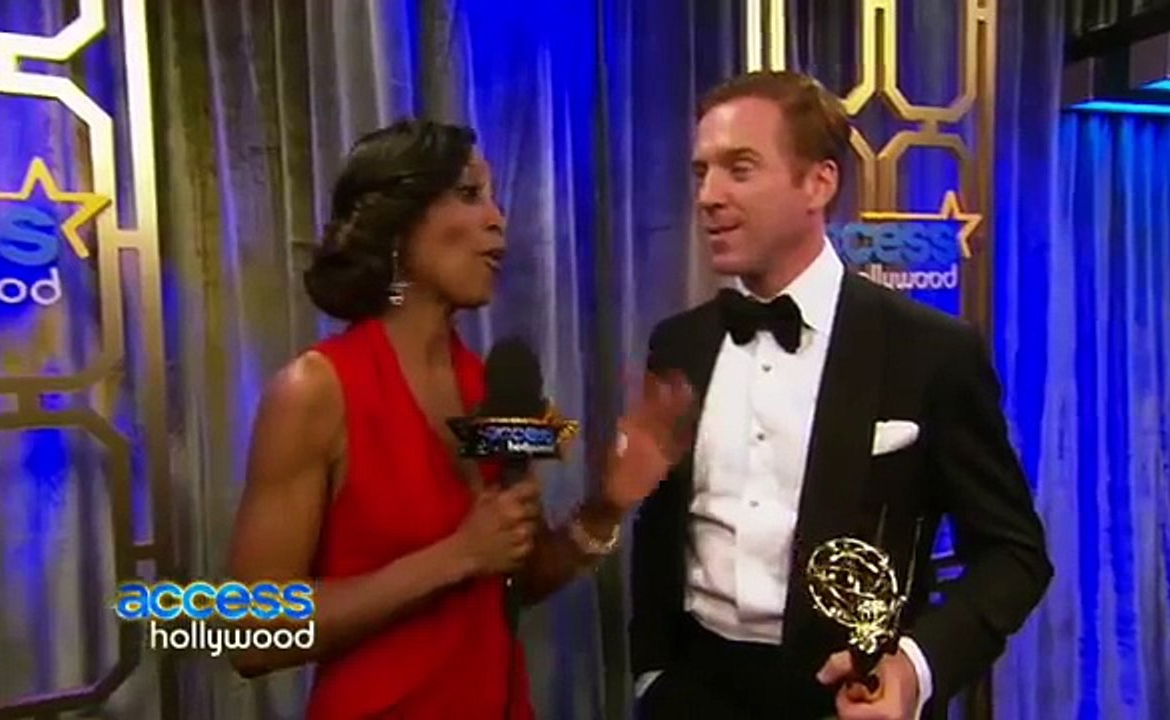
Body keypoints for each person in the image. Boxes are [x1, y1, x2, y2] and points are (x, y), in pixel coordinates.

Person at [225, 118, 693, 719]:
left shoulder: (491, 385)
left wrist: (606, 506)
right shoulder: (315, 391)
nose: (498, 219)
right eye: (470, 195)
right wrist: (454, 557)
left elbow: (513, 582)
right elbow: (246, 633)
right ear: (398, 223)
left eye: (494, 198)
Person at [629, 71, 1053, 720]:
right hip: (693, 693)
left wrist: (913, 669)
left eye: (739, 169)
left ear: (818, 183)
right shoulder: (677, 345)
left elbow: (1013, 554)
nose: (709, 196)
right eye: (700, 172)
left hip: (850, 696)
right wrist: (651, 677)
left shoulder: (930, 351)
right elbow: (660, 531)